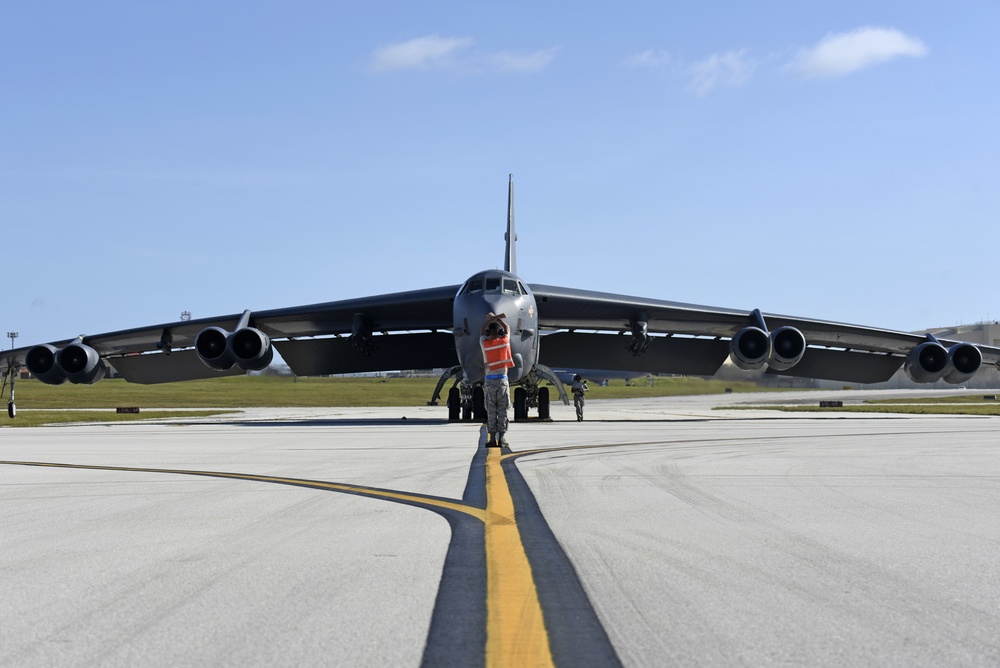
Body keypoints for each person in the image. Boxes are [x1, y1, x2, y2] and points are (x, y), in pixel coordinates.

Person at [480, 312, 513, 447]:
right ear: (499, 332)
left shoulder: (485, 344)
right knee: (503, 410)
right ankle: (502, 439)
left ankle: (492, 438)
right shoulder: (504, 342)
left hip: (489, 381)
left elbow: (482, 330)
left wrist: (491, 319)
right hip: (502, 382)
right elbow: (508, 329)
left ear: (488, 333)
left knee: (491, 411)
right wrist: (498, 318)